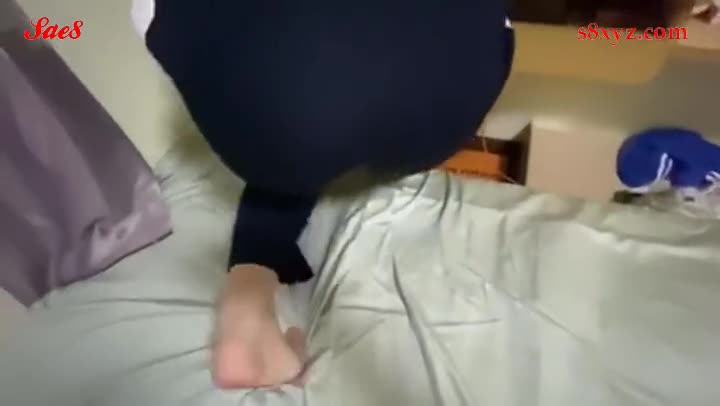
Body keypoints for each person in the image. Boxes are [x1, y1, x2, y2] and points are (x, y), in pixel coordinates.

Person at [143, 0, 689, 389]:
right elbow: (634, 34)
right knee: (332, 98)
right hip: (436, 122)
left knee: (300, 92)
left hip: (269, 112)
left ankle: (252, 289)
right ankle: (252, 290)